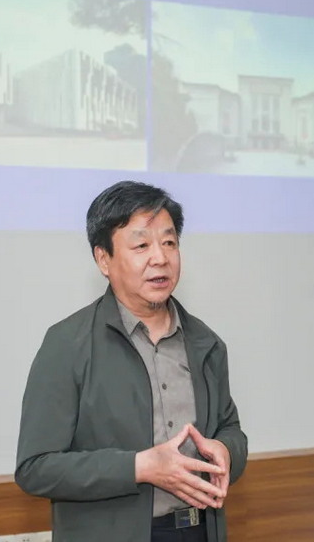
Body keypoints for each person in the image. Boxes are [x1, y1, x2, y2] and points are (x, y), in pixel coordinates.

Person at [15, 181, 247, 542]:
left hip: (200, 530)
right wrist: (139, 467)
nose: (160, 258)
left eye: (169, 243)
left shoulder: (205, 343)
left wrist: (226, 450)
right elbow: (35, 468)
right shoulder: (67, 344)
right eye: (141, 245)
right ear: (103, 259)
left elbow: (230, 428)